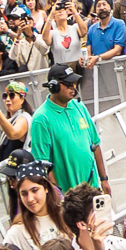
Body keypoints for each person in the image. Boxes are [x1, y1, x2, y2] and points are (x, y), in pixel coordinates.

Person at [25, 64, 107, 193]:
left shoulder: (79, 106)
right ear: (54, 86)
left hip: (93, 189)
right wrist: (59, 197)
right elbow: (43, 164)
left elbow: (95, 144)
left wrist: (104, 179)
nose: (73, 88)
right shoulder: (41, 118)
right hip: (69, 198)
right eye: (68, 84)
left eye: (74, 83)